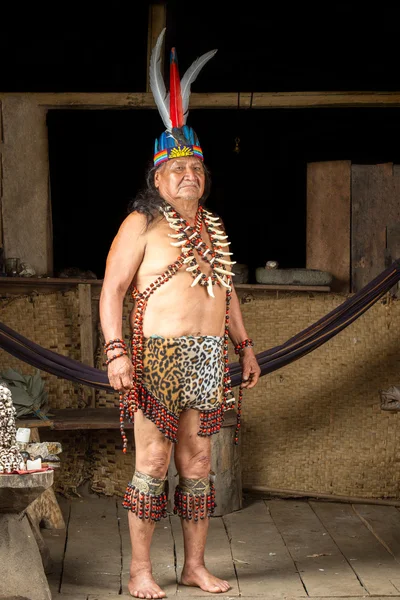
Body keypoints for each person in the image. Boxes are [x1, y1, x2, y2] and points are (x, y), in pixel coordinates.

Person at [100, 29, 260, 599]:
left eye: (195, 168)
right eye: (177, 169)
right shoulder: (140, 223)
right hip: (157, 358)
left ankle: (193, 565)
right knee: (153, 460)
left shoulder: (210, 228)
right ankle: (141, 571)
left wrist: (244, 344)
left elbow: (226, 289)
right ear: (157, 178)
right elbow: (112, 290)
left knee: (198, 464)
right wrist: (116, 353)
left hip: (209, 358)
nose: (189, 175)